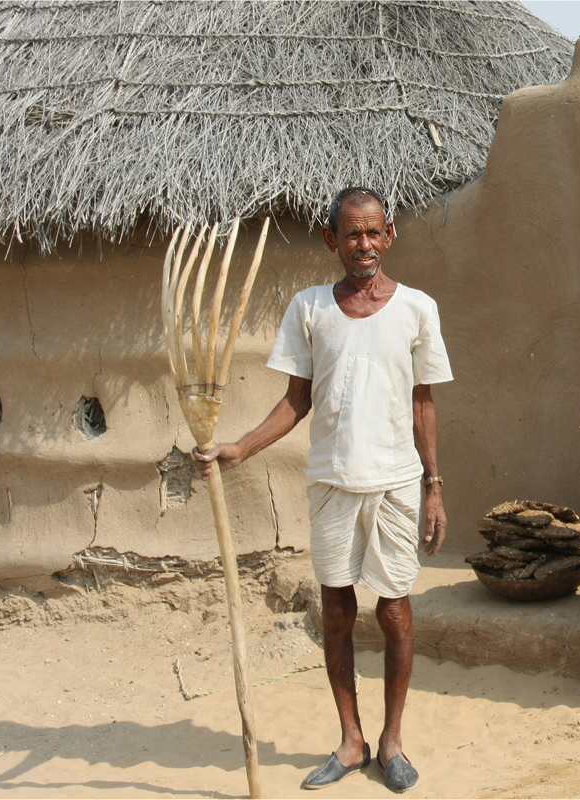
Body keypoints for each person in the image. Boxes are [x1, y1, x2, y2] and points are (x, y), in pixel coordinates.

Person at [193, 187, 452, 793]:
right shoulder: (309, 308)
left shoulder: (417, 308)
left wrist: (434, 485)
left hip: (395, 481)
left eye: (374, 233)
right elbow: (296, 401)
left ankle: (391, 741)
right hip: (332, 480)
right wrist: (239, 448)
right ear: (330, 239)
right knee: (337, 610)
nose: (364, 245)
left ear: (390, 235)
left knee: (395, 609)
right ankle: (351, 738)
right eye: (351, 234)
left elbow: (423, 402)